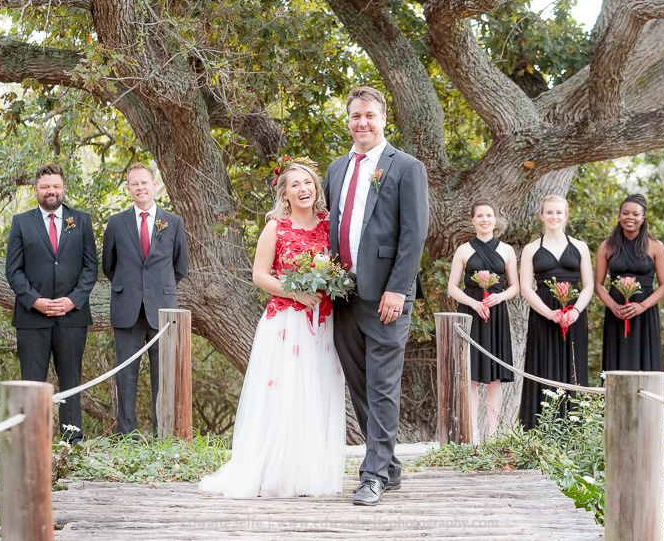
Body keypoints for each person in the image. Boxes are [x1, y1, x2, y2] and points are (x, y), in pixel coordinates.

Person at [199, 161, 345, 497]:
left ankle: (308, 474)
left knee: (316, 394)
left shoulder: (328, 225)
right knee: (285, 395)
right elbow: (260, 275)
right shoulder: (276, 227)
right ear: (284, 194)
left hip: (322, 325)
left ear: (316, 188)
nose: (303, 188)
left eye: (307, 182)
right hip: (286, 324)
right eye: (294, 185)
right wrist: (296, 292)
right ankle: (276, 473)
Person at [325, 86, 429, 506]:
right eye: (355, 116)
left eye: (369, 115)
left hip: (387, 295)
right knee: (360, 384)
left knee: (382, 385)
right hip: (344, 294)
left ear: (383, 119)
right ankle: (387, 463)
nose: (362, 123)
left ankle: (372, 476)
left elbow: (414, 234)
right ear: (348, 120)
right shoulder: (336, 168)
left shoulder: (406, 167)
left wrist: (397, 290)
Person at [6, 164, 97, 444]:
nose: (51, 191)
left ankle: (71, 442)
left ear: (63, 188)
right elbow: (13, 270)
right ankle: (32, 442)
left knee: (71, 381)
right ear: (36, 190)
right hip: (32, 318)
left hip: (72, 318)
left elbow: (90, 269)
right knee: (32, 383)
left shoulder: (80, 221)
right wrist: (36, 301)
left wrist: (72, 301)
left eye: (55, 186)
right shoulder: (21, 222)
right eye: (45, 187)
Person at [102, 163, 189, 438]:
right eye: (134, 184)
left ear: (154, 185)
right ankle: (127, 437)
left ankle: (163, 433)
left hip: (162, 310)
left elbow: (180, 266)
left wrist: (155, 289)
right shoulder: (116, 223)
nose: (140, 187)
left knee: (163, 375)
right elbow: (108, 265)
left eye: (144, 183)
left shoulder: (173, 222)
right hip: (127, 309)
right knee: (125, 376)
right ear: (129, 189)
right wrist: (133, 289)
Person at [518, 195, 593, 431]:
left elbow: (588, 284)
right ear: (542, 215)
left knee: (574, 368)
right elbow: (525, 288)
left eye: (559, 213)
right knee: (543, 367)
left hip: (574, 316)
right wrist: (548, 313)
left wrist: (577, 310)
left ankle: (575, 431)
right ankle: (540, 429)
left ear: (566, 216)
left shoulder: (580, 246)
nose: (554, 217)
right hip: (543, 315)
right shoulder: (531, 248)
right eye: (549, 212)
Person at [446, 200, 518, 443]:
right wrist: (473, 303)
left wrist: (500, 296)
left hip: (496, 313)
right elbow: (452, 288)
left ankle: (493, 433)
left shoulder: (507, 250)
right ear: (473, 220)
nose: (485, 219)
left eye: (489, 215)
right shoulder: (464, 250)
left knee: (495, 376)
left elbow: (515, 287)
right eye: (480, 216)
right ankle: (473, 432)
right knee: (472, 375)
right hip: (471, 313)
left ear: (495, 219)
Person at [594, 194, 664, 372]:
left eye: (635, 214)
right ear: (619, 216)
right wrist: (613, 306)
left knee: (644, 361)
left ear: (643, 218)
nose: (630, 217)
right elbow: (598, 284)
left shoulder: (656, 246)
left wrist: (642, 306)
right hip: (616, 311)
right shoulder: (607, 246)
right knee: (616, 363)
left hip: (644, 312)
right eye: (625, 213)